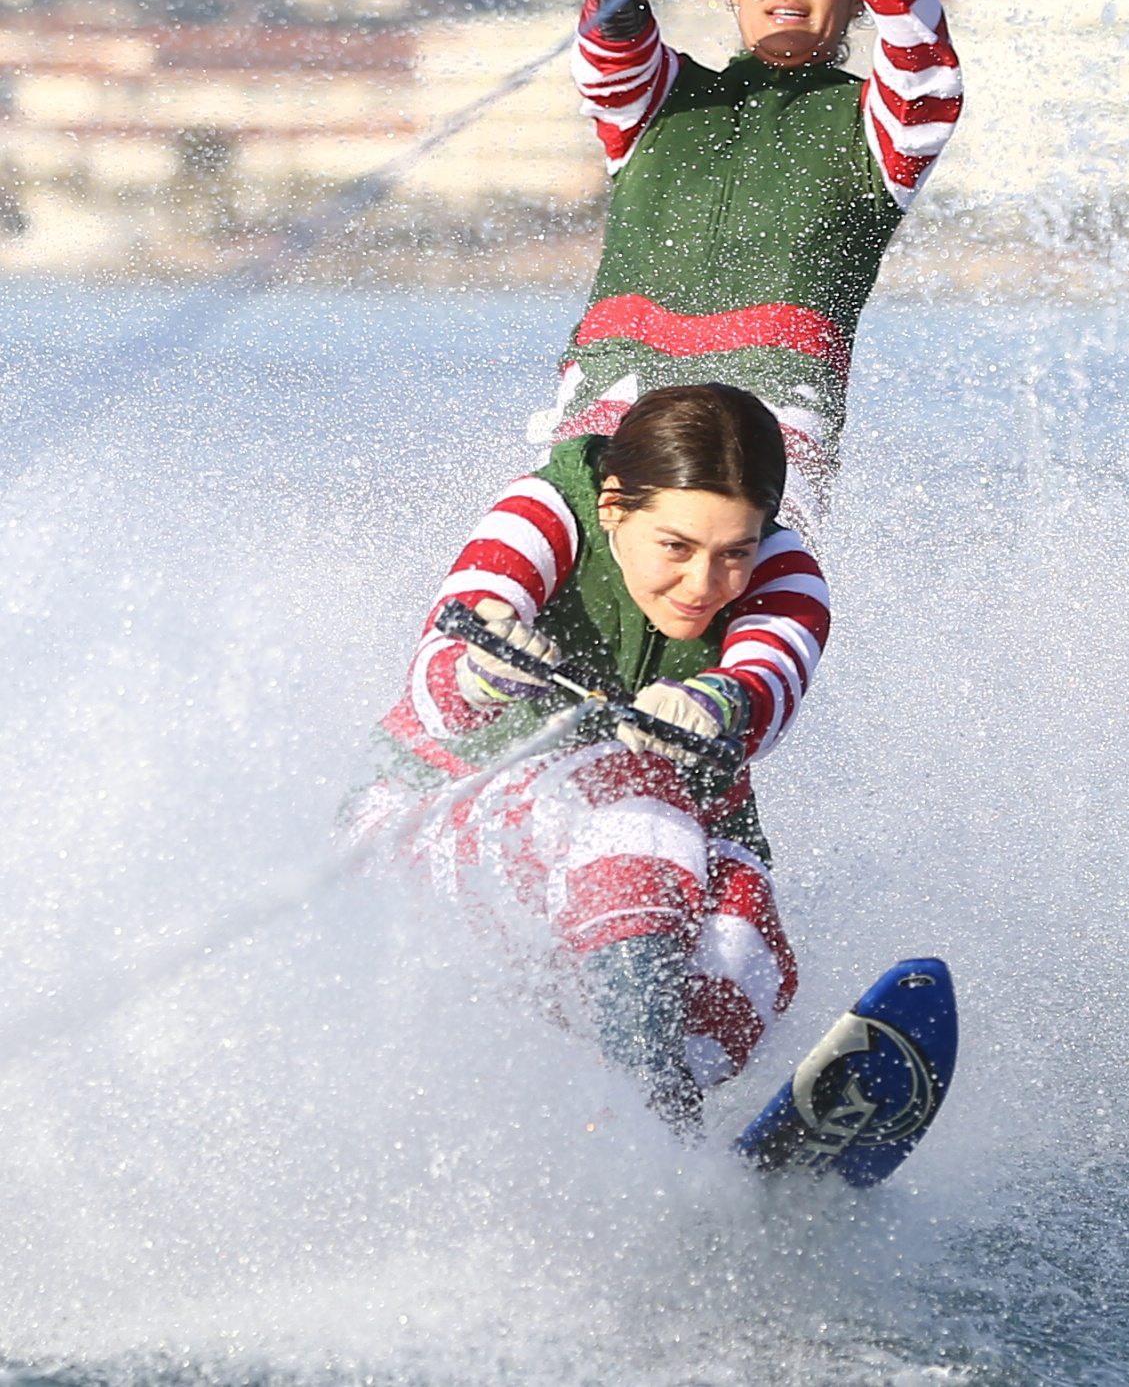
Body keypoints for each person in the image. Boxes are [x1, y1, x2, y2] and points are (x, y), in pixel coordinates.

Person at [344, 382, 830, 1131]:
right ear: (614, 506)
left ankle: (643, 1127)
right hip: (434, 825)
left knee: (742, 958)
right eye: (675, 547)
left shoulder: (784, 571)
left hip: (657, 854)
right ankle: (645, 1120)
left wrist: (717, 700)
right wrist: (478, 673)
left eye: (733, 553)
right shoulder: (546, 514)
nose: (702, 586)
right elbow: (438, 679)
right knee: (631, 806)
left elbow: (771, 679)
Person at [531, 0, 963, 539]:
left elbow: (925, 57)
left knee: (726, 570)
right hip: (612, 394)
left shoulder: (884, 130)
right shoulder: (653, 99)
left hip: (773, 416)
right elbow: (609, 32)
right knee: (564, 545)